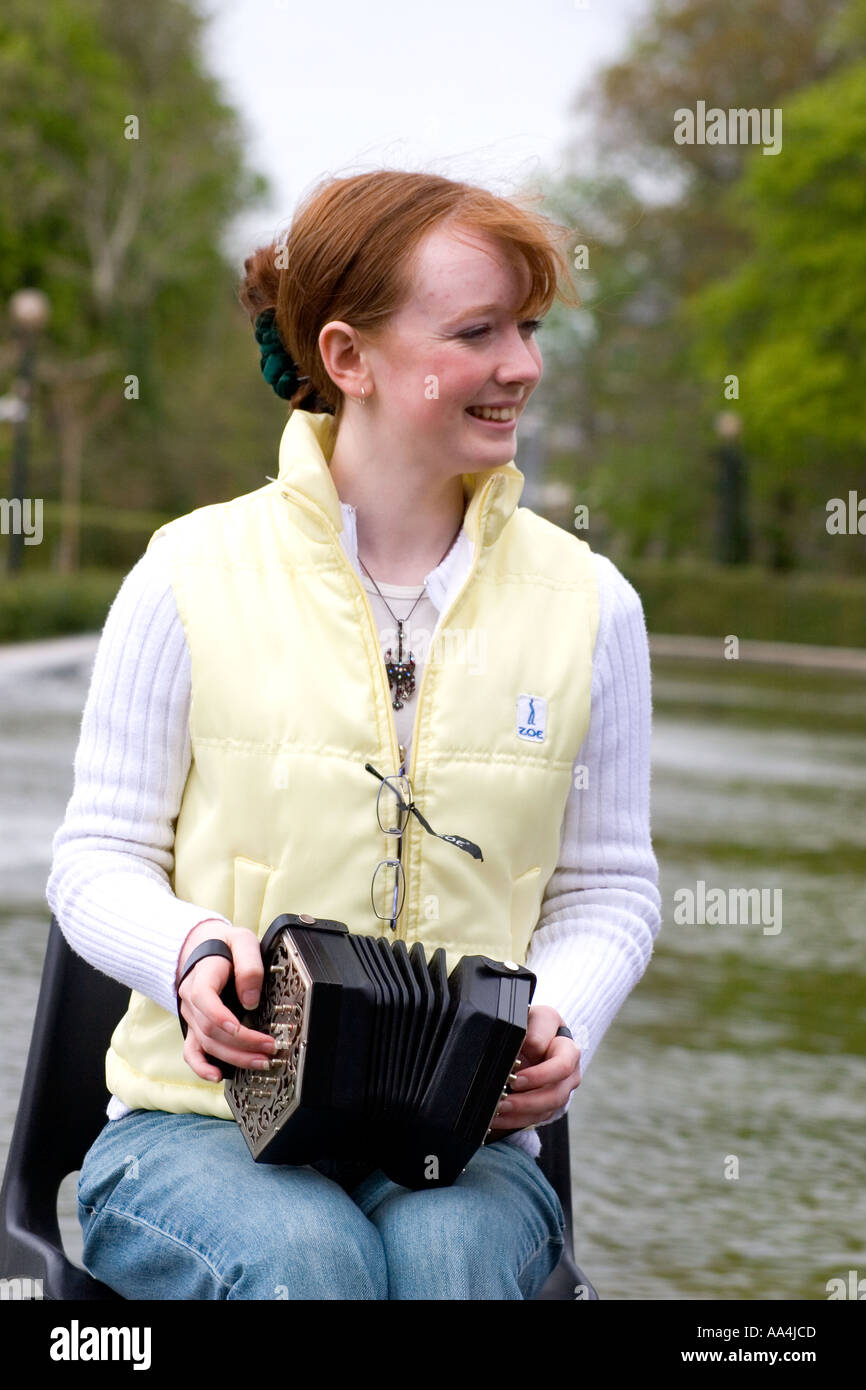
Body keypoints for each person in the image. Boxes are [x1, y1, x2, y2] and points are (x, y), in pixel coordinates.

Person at [47, 168, 661, 1300]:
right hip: (195, 1130)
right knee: (306, 1264)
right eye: (477, 330)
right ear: (348, 358)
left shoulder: (593, 606)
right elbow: (93, 862)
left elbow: (609, 888)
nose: (521, 364)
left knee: (445, 1263)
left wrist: (558, 1014)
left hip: (464, 1147)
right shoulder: (187, 573)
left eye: (525, 326)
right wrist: (187, 956)